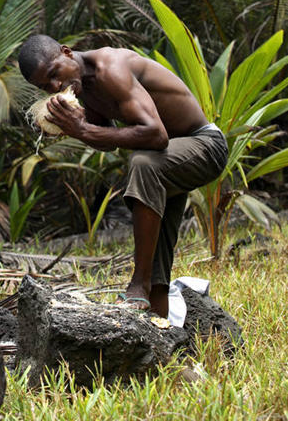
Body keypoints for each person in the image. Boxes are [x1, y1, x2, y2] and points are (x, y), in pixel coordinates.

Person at [18, 34, 227, 317]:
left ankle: (137, 285)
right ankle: (159, 324)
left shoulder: (109, 69)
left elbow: (156, 134)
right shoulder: (83, 87)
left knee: (142, 163)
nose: (55, 87)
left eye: (54, 74)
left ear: (67, 53)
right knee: (157, 242)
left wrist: (83, 130)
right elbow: (108, 140)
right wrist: (74, 127)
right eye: (45, 86)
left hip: (205, 145)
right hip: (169, 159)